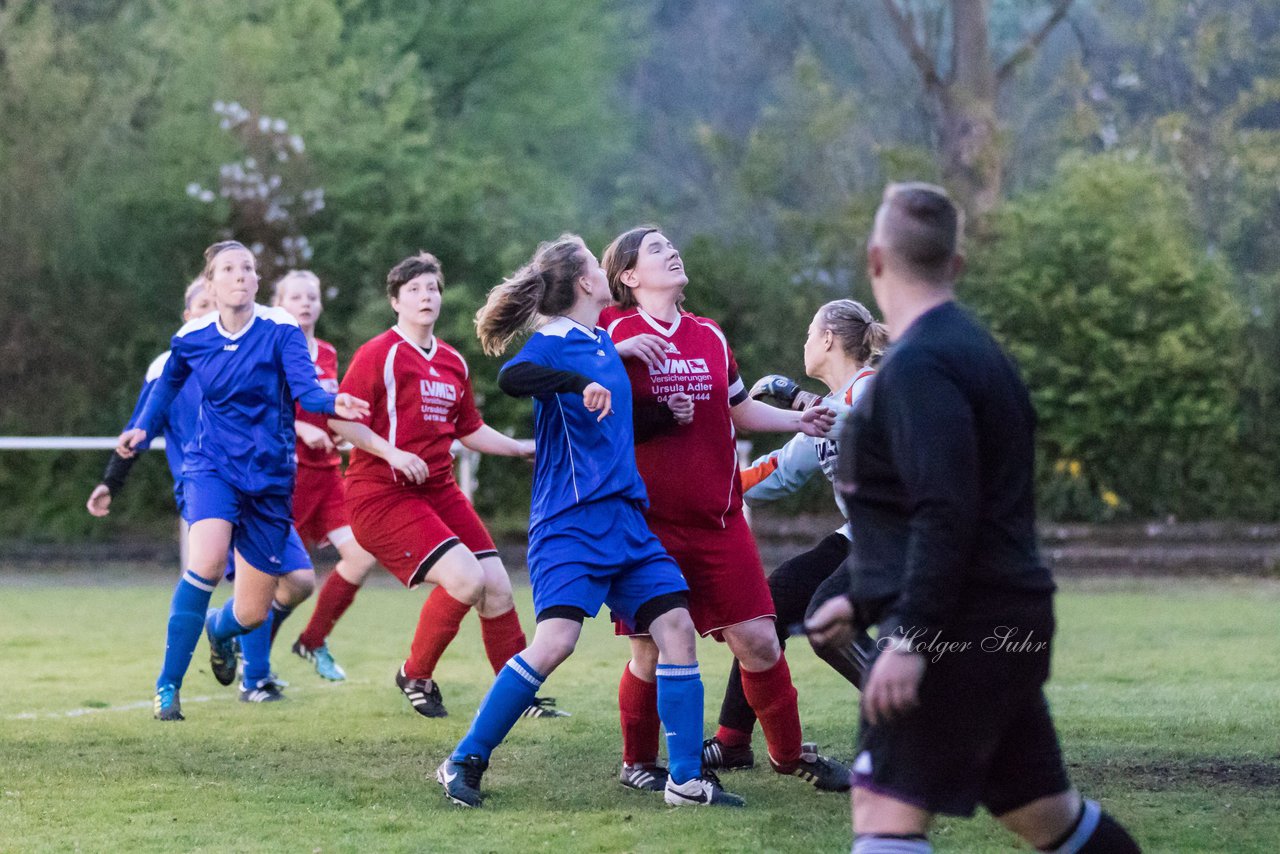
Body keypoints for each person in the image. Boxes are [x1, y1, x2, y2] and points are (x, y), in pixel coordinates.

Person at [806, 183, 1140, 853]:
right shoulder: (977, 351)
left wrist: (911, 638)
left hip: (963, 626)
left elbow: (946, 511)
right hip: (1003, 620)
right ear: (955, 265)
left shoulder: (921, 366)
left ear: (875, 261)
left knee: (883, 809)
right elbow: (952, 507)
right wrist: (866, 597)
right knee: (1045, 815)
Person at [435, 234, 742, 809]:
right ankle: (464, 760)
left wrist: (660, 415)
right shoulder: (554, 341)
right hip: (570, 521)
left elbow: (611, 424)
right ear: (584, 283)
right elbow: (511, 378)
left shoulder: (603, 340)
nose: (604, 270)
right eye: (594, 266)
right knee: (556, 643)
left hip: (626, 518)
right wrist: (581, 381)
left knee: (675, 628)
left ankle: (684, 780)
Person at [598, 226, 848, 794]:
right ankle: (637, 761)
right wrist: (614, 354)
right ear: (629, 276)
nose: (672, 251)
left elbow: (739, 409)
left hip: (720, 518)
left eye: (671, 244)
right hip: (647, 524)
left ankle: (788, 758)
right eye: (656, 248)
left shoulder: (709, 334)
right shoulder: (610, 329)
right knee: (649, 646)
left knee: (759, 640)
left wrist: (798, 421)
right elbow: (573, 387)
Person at [116, 240, 370, 719]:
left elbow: (305, 391)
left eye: (248, 268)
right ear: (211, 283)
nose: (239, 275)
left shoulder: (280, 330)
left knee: (252, 612)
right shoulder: (192, 336)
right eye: (228, 269)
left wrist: (333, 403)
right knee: (207, 563)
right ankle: (168, 687)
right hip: (211, 467)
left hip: (270, 479)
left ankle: (218, 628)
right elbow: (169, 382)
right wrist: (143, 427)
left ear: (257, 282)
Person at [327, 252, 564, 719]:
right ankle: (415, 673)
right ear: (395, 301)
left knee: (496, 584)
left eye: (432, 288)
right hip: (381, 492)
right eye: (414, 289)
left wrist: (519, 448)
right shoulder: (379, 353)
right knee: (465, 578)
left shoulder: (453, 361)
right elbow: (340, 421)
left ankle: (516, 696)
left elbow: (467, 429)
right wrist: (392, 452)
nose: (426, 296)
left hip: (437, 489)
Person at [705, 299, 886, 771]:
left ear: (827, 338)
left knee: (825, 614)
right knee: (768, 604)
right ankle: (732, 741)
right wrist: (707, 490)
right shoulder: (827, 409)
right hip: (858, 534)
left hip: (899, 534)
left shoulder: (872, 390)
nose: (805, 343)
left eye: (809, 333)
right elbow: (778, 473)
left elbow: (860, 426)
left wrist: (799, 398)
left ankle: (924, 723)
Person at [270, 270, 378, 682]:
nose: (305, 303)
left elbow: (333, 409)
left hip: (329, 477)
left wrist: (345, 433)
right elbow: (263, 408)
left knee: (362, 556)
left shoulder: (329, 353)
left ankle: (312, 640)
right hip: (287, 478)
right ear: (278, 303)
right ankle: (252, 657)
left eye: (311, 297)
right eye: (295, 296)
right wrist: (301, 428)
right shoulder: (272, 348)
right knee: (278, 578)